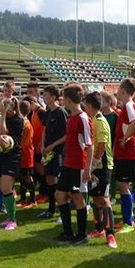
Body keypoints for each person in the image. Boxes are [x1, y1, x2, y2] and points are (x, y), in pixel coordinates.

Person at [53, 84, 92, 244]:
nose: (62, 101)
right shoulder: (71, 117)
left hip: (78, 165)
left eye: (63, 98)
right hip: (68, 163)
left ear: (68, 99)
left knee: (77, 197)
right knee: (59, 195)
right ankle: (68, 232)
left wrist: (87, 169)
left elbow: (90, 145)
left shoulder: (83, 118)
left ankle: (82, 235)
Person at [84, 91, 117, 248]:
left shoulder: (100, 121)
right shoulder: (91, 119)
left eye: (85, 104)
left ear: (89, 105)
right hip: (93, 166)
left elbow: (102, 146)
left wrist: (94, 163)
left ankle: (110, 234)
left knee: (104, 199)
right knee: (95, 198)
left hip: (103, 166)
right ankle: (99, 229)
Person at [0, 96, 24, 230]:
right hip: (0, 155)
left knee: (6, 189)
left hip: (12, 157)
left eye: (1, 107)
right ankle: (9, 215)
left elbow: (2, 131)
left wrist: (3, 116)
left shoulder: (18, 120)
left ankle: (12, 219)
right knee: (4, 189)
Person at [113, 78, 135, 233]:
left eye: (118, 89)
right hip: (125, 153)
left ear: (123, 91)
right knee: (124, 186)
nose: (117, 92)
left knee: (123, 186)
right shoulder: (128, 105)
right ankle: (127, 218)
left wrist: (125, 139)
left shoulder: (129, 105)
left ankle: (128, 222)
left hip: (128, 153)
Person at [37, 85, 67, 220]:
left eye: (46, 95)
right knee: (49, 178)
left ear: (53, 97)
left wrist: (53, 145)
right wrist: (43, 145)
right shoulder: (48, 112)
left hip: (58, 151)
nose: (44, 97)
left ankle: (62, 209)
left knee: (58, 179)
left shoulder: (61, 112)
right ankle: (51, 208)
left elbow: (67, 134)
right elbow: (44, 130)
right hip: (48, 151)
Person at [17, 100, 36, 208]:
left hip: (26, 153)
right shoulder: (24, 121)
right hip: (23, 153)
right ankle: (23, 198)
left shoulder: (25, 123)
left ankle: (33, 200)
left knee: (27, 176)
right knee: (22, 176)